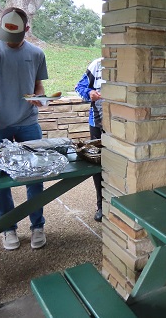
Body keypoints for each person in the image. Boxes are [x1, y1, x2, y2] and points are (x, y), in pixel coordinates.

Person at [0, 7, 48, 251]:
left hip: (28, 121)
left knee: (35, 174)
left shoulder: (36, 53)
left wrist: (39, 97)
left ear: (27, 29)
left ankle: (37, 226)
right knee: (0, 176)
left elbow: (39, 86)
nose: (10, 41)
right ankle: (8, 228)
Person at [75, 57, 104, 222]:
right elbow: (79, 87)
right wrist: (89, 93)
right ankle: (101, 206)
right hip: (98, 122)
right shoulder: (97, 65)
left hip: (123, 123)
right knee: (99, 163)